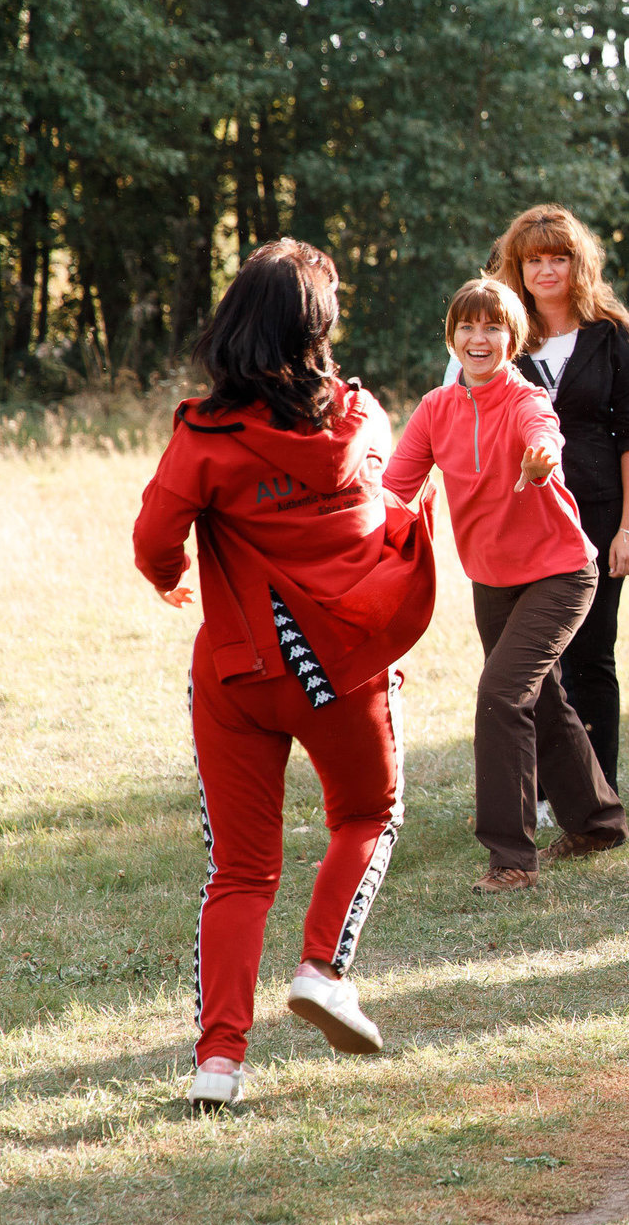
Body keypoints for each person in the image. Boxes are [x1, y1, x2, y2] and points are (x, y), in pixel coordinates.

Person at [134, 241, 438, 1111]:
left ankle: (218, 1063)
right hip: (341, 667)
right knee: (368, 814)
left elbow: (154, 538)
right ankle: (322, 969)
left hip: (236, 672)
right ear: (319, 324)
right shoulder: (361, 418)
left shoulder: (202, 432)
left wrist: (169, 576)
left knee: (238, 870)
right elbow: (383, 514)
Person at [388, 279, 627, 891]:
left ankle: (511, 860)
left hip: (560, 572)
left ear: (512, 337)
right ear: (453, 337)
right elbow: (394, 489)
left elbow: (543, 433)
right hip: (491, 581)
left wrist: (542, 457)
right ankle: (599, 821)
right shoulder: (436, 409)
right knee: (540, 697)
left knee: (501, 694)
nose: (479, 338)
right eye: (468, 326)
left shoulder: (527, 399)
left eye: (493, 327)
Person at [484, 205, 629, 798]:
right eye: (535, 260)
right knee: (536, 662)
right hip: (524, 516)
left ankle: (598, 789)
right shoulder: (500, 335)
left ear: (579, 264)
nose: (547, 270)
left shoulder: (611, 334)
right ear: (518, 267)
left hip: (600, 514)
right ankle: (548, 789)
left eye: (559, 258)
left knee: (592, 655)